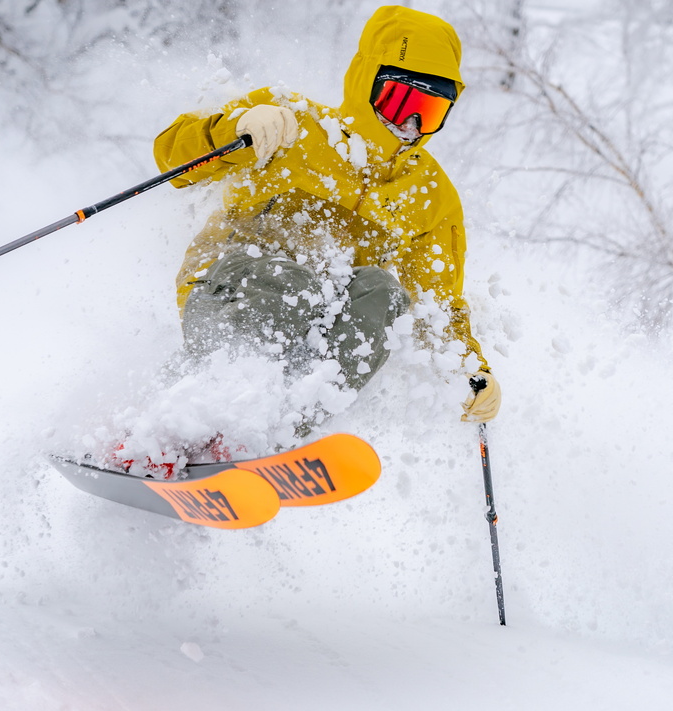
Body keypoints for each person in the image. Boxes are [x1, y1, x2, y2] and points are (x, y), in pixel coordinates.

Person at [152, 4, 501, 447]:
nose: (408, 125)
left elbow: (436, 300)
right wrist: (236, 129)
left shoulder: (430, 196)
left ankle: (273, 433)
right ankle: (182, 415)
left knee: (383, 292)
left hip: (318, 320)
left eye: (428, 113)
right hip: (229, 292)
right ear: (365, 80)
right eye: (399, 101)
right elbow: (172, 159)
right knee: (294, 280)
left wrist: (470, 368)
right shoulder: (292, 124)